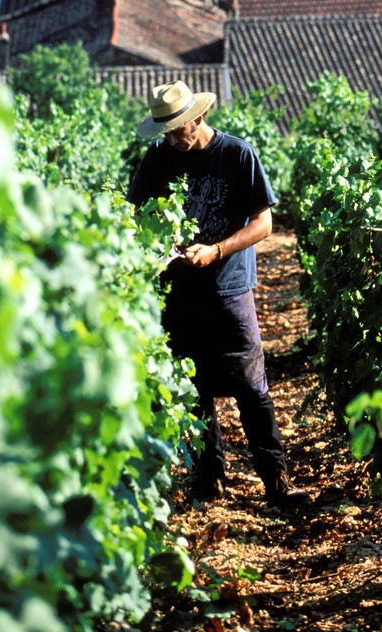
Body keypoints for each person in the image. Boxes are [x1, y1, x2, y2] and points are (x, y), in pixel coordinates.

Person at [127, 80, 309, 511]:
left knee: (250, 385)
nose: (172, 139)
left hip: (229, 289)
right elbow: (136, 216)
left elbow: (264, 224)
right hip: (178, 291)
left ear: (198, 118)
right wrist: (161, 250)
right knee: (193, 388)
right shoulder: (156, 159)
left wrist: (217, 250)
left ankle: (277, 481)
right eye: (165, 132)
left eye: (177, 130)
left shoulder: (236, 155)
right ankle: (210, 479)